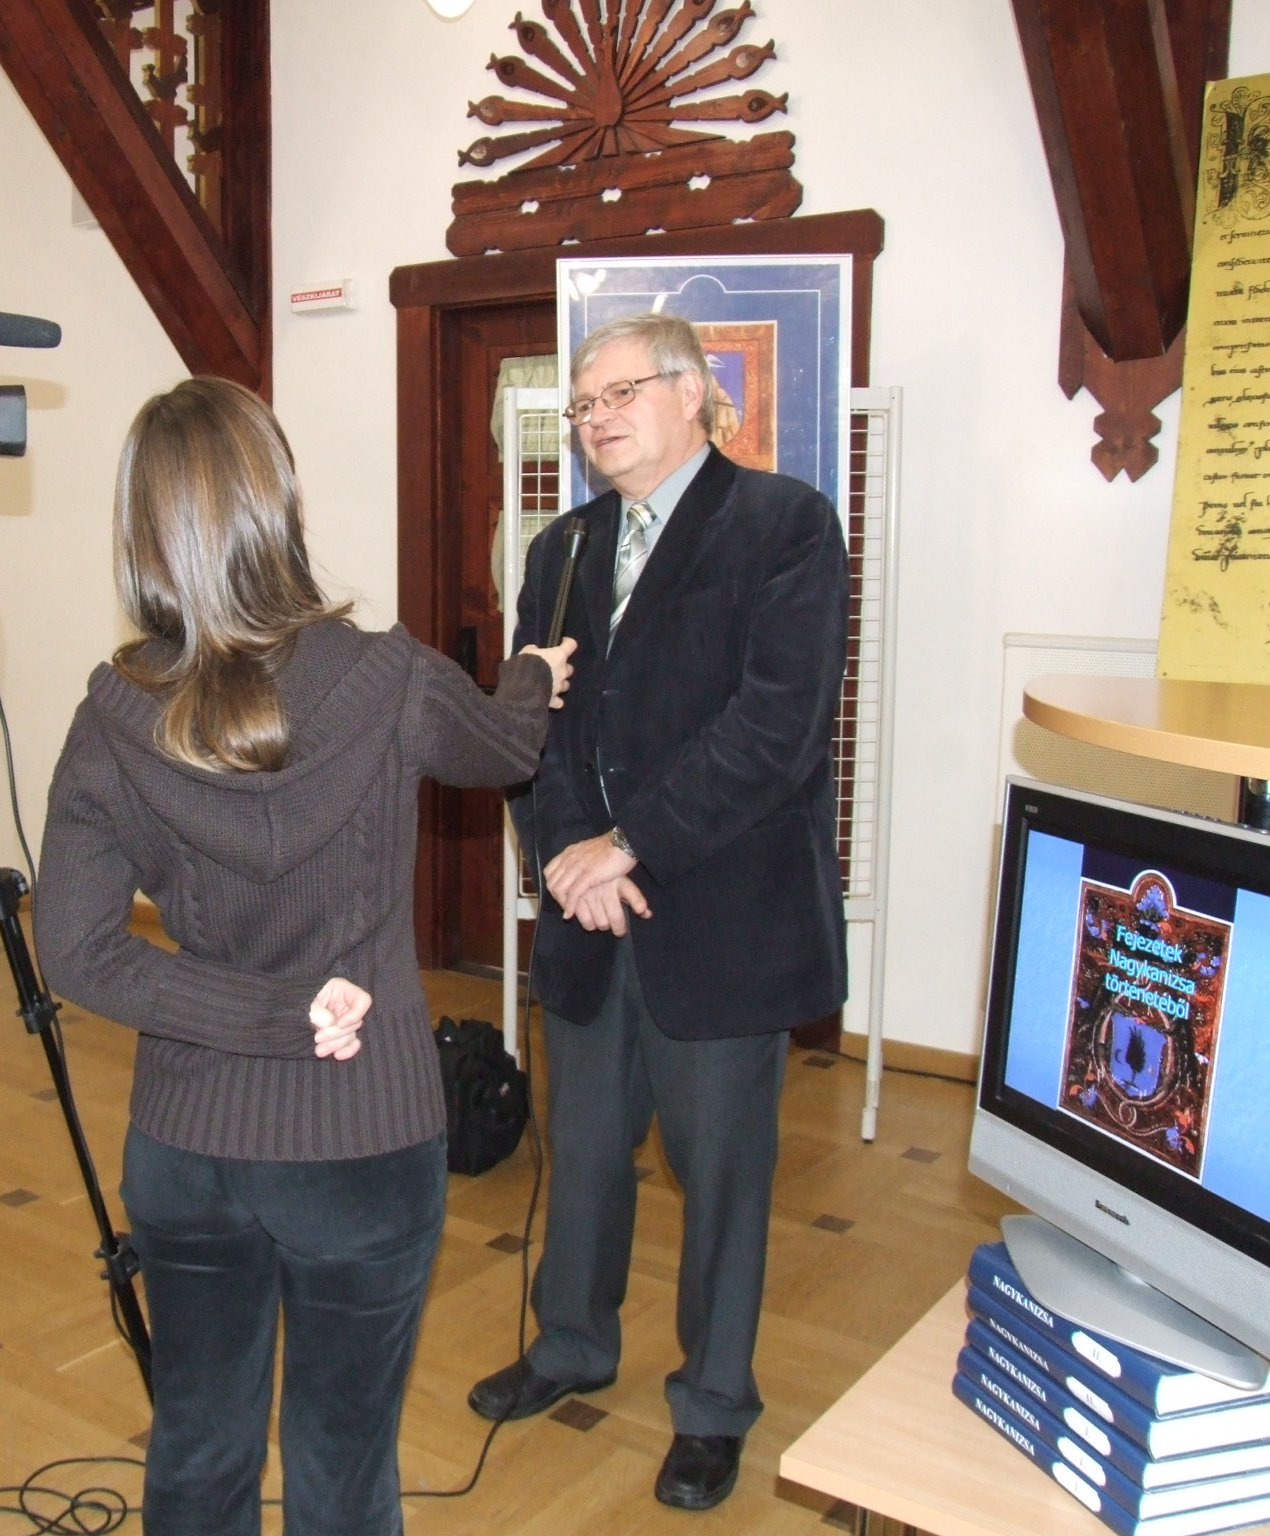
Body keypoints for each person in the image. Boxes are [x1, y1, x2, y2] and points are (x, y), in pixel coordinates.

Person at [35, 376, 575, 1536]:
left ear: (141, 533)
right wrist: (534, 673)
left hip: (186, 1150)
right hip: (360, 1140)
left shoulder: (110, 719)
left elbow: (73, 954)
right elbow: (505, 746)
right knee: (341, 1466)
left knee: (197, 1448)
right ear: (276, 506)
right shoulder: (390, 678)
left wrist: (261, 1014)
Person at [469, 312, 849, 1511]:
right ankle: (571, 1344)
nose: (595, 420)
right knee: (582, 1151)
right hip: (588, 914)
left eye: (619, 393)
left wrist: (622, 847)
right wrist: (565, 858)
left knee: (720, 1173)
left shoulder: (783, 524)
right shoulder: (561, 549)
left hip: (721, 914)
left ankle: (713, 1403)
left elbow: (773, 733)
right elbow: (528, 723)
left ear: (693, 394)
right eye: (582, 405)